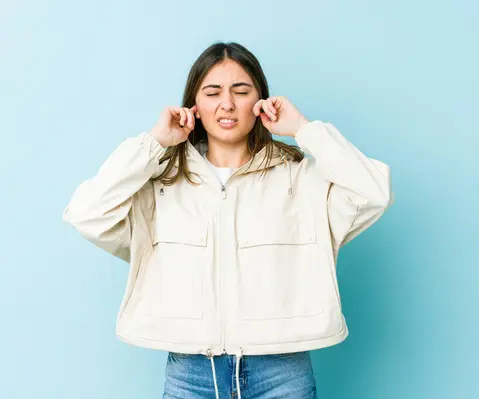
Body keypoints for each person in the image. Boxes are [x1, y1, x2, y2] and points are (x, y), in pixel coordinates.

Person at [63, 42, 394, 399]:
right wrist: (155, 143)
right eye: (212, 92)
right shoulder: (160, 183)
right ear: (194, 105)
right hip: (190, 374)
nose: (227, 104)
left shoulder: (302, 179)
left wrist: (304, 129)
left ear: (261, 102)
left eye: (241, 91)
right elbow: (86, 213)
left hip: (283, 374)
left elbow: (374, 191)